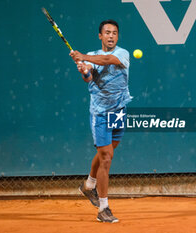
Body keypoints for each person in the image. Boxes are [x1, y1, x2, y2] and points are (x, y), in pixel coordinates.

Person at [70, 19, 131, 223]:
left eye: (114, 32)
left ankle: (88, 185)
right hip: (100, 114)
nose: (111, 36)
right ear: (100, 36)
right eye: (107, 32)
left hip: (119, 111)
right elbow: (88, 76)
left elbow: (107, 61)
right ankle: (103, 208)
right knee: (106, 157)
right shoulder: (92, 55)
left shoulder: (122, 54)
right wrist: (84, 70)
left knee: (108, 151)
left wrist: (83, 57)